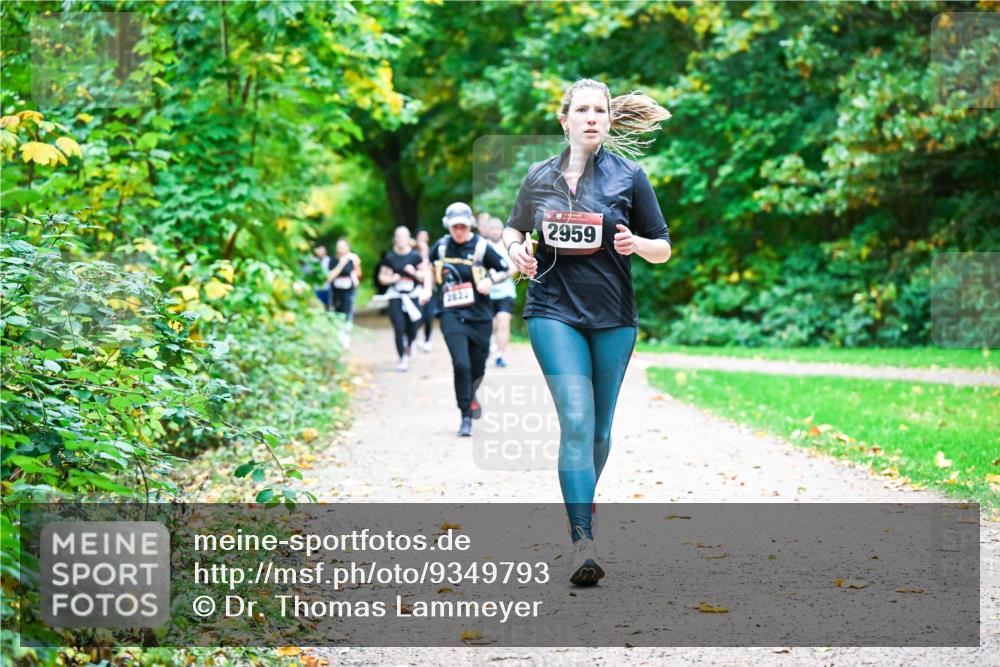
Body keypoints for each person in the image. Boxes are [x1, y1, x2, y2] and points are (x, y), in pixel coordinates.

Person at [501, 78, 672, 585]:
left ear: (609, 120)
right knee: (577, 420)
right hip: (552, 310)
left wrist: (634, 243)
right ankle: (582, 544)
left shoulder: (629, 176)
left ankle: (582, 508)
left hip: (614, 317)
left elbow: (663, 246)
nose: (592, 117)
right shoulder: (538, 177)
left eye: (600, 110)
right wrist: (516, 252)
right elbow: (513, 229)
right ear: (565, 119)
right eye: (582, 110)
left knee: (598, 431)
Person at [425, 202, 510, 437]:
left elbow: (506, 268)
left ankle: (471, 396)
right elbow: (430, 269)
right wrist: (426, 289)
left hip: (481, 315)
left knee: (478, 366)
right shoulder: (441, 247)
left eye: (463, 226)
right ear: (448, 226)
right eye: (455, 227)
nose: (459, 231)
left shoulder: (482, 247)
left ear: (470, 225)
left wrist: (489, 281)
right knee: (461, 364)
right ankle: (465, 415)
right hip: (451, 313)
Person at [378, 226, 425, 371]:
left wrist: (415, 273)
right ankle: (402, 358)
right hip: (396, 296)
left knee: (414, 324)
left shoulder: (416, 256)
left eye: (403, 236)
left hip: (413, 295)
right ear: (395, 238)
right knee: (398, 327)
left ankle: (410, 342)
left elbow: (424, 275)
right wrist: (392, 278)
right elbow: (382, 277)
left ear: (408, 238)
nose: (401, 239)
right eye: (398, 236)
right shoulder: (390, 257)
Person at [479, 215, 516, 368]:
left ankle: (500, 355)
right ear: (486, 231)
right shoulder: (480, 246)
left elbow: (514, 268)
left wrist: (496, 278)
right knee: (491, 324)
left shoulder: (508, 246)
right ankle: (489, 346)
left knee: (503, 320)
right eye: (492, 229)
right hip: (486, 293)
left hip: (505, 292)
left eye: (498, 229)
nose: (495, 232)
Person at [327, 239, 362, 346]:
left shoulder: (352, 259)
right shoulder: (333, 260)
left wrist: (355, 264)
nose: (340, 249)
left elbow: (358, 273)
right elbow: (329, 277)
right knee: (336, 312)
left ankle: (346, 337)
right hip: (336, 292)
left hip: (349, 291)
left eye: (343, 246)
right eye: (339, 246)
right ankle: (338, 335)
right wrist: (341, 264)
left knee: (347, 312)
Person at [415, 228, 436, 352]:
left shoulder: (432, 256)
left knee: (429, 317)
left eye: (425, 237)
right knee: (418, 317)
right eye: (421, 237)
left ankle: (427, 340)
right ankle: (414, 338)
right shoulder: (412, 256)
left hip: (430, 291)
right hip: (416, 292)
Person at [309, 244, 334, 311]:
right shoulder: (313, 261)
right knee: (318, 305)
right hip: (317, 287)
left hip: (327, 287)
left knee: (328, 305)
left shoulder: (329, 260)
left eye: (322, 250)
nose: (320, 252)